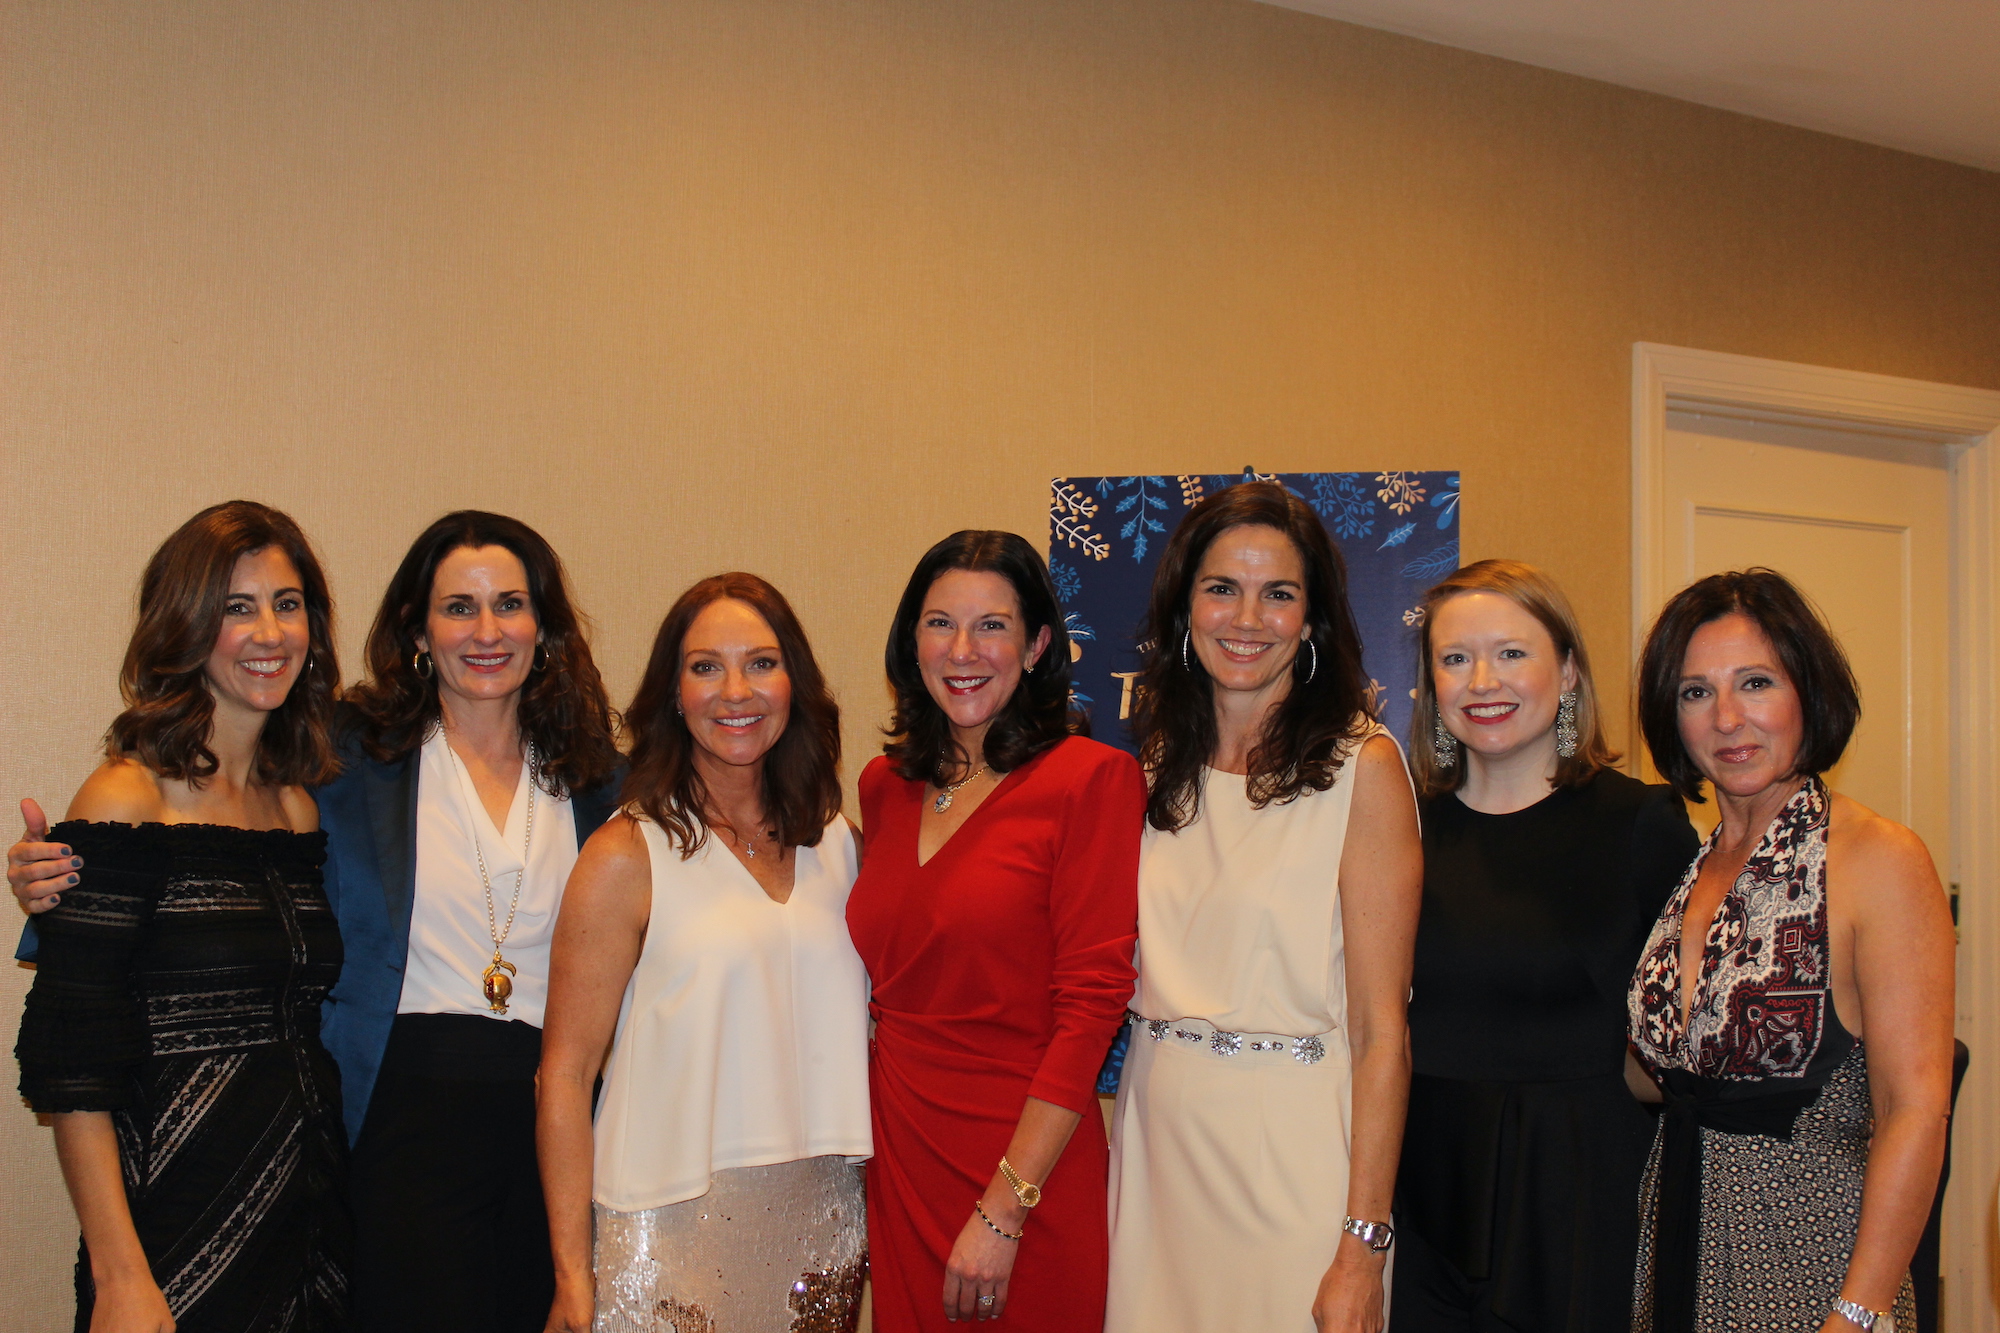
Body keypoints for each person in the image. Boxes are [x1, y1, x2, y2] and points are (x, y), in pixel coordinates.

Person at [16, 511, 628, 1329]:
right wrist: (48, 876)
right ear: (417, 630)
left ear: (544, 625)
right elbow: (88, 1002)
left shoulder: (603, 784)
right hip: (377, 1138)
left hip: (539, 1135)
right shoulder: (348, 760)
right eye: (458, 607)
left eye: (510, 604)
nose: (487, 630)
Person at [14, 500, 349, 1330]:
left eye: (287, 603)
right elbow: (74, 1063)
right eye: (237, 607)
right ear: (188, 626)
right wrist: (120, 1274)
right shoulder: (126, 797)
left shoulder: (296, 808)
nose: (269, 632)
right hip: (173, 1226)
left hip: (306, 1221)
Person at [1104, 481, 1424, 1333]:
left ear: (1311, 619)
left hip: (1292, 1158)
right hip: (1158, 1148)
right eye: (1222, 588)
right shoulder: (1157, 764)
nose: (1247, 618)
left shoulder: (1364, 769)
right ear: (1185, 606)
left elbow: (1382, 1035)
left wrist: (1363, 1245)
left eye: (1278, 593)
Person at [537, 573, 871, 1333]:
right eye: (705, 667)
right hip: (669, 1239)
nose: (735, 692)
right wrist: (571, 1276)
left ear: (794, 683)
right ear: (674, 694)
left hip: (823, 1234)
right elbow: (563, 1075)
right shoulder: (627, 853)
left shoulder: (841, 844)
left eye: (761, 663)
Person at [1628, 568, 1954, 1333]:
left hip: (1813, 1266)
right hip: (1677, 1246)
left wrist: (1858, 1311)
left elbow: (1914, 1108)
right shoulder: (1696, 865)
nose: (1728, 717)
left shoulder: (1879, 858)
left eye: (1756, 682)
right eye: (1696, 691)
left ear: (1807, 689)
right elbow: (1664, 1074)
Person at [844, 531, 1144, 1330]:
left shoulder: (1092, 780)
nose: (962, 650)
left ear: (1038, 645)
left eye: (992, 626)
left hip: (1025, 1166)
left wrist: (1007, 1206)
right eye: (940, 623)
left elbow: (1093, 1006)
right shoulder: (884, 786)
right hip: (901, 1154)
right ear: (911, 642)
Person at [1389, 560, 1699, 1333]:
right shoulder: (1398, 826)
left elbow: (1690, 1039)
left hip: (1583, 1197)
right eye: (1455, 658)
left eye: (1511, 653)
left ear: (1567, 673)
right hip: (1423, 1191)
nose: (1482, 680)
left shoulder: (1641, 824)